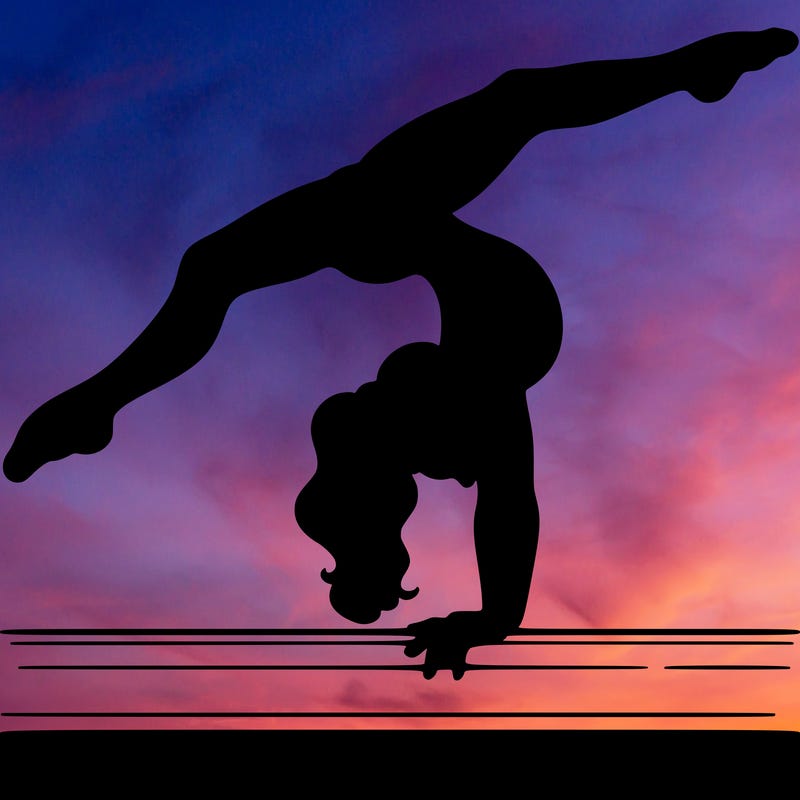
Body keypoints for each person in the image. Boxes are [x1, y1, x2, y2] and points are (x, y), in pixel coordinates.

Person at [4, 28, 797, 678]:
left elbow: (474, 500)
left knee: (219, 266)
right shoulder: (484, 409)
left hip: (401, 234)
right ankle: (691, 72)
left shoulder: (366, 433)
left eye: (376, 398)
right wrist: (494, 620)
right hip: (502, 300)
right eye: (388, 399)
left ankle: (95, 407)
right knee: (507, 109)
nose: (370, 390)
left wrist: (102, 397)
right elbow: (509, 510)